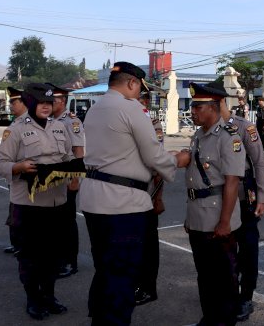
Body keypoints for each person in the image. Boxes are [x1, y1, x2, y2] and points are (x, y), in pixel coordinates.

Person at [79, 62, 191, 325]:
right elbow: (153, 155)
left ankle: (100, 319)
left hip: (94, 200)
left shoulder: (95, 109)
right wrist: (177, 161)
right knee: (123, 275)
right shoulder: (130, 108)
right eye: (140, 87)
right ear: (132, 83)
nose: (140, 93)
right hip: (123, 204)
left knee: (105, 270)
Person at [0, 83, 75, 320]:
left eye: (49, 103)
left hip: (56, 203)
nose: (46, 107)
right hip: (28, 206)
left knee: (52, 256)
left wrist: (72, 169)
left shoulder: (60, 127)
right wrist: (19, 167)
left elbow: (68, 156)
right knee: (31, 257)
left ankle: (49, 296)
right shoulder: (15, 130)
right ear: (31, 103)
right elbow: (1, 165)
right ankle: (33, 298)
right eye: (41, 102)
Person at [209, 82, 264, 322]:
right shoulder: (209, 128)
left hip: (245, 195)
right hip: (220, 194)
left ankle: (246, 296)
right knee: (223, 245)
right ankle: (227, 292)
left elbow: (259, 162)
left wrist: (263, 197)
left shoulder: (244, 127)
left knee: (247, 246)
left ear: (220, 103)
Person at [185, 82, 246, 326]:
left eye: (198, 107)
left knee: (224, 277)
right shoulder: (198, 136)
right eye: (192, 107)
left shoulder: (228, 138)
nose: (193, 111)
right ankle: (209, 319)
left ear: (213, 107)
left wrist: (224, 222)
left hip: (219, 219)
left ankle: (225, 321)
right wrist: (190, 219)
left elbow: (232, 183)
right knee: (205, 275)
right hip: (198, 217)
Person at [45, 83, 85, 280]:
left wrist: (76, 179)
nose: (49, 104)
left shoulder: (71, 122)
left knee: (67, 221)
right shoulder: (52, 121)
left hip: (69, 179)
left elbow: (79, 151)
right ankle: (59, 258)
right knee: (57, 221)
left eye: (52, 101)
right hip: (56, 178)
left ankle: (71, 262)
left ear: (61, 102)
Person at [135, 85, 167, 307]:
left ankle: (148, 287)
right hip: (126, 195)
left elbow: (159, 164)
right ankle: (135, 284)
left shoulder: (152, 125)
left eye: (139, 100)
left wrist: (158, 197)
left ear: (145, 102)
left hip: (146, 193)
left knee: (147, 244)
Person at [3, 86, 28, 256]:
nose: (11, 105)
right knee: (15, 212)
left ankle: (24, 246)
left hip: (25, 177)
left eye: (14, 102)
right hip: (15, 175)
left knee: (23, 213)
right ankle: (17, 244)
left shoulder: (29, 123)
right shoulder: (16, 122)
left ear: (24, 103)